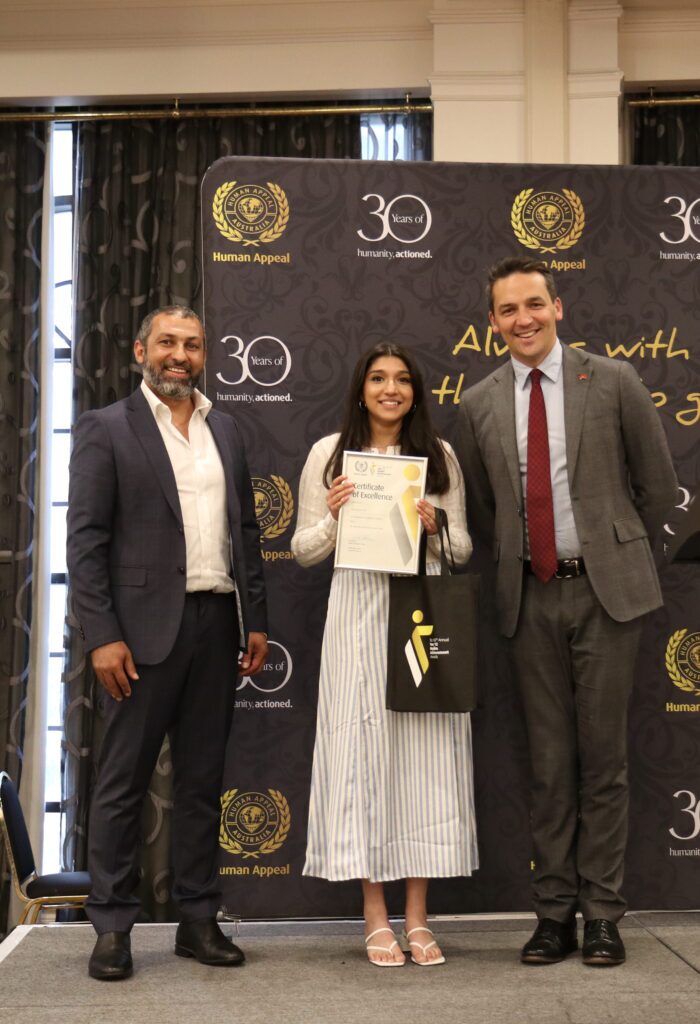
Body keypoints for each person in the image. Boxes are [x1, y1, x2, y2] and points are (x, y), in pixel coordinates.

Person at [455, 257, 677, 967]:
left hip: (607, 595)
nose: (522, 319)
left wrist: (607, 547)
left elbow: (656, 484)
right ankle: (553, 914)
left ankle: (604, 914)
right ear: (492, 323)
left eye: (533, 304)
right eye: (507, 309)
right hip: (528, 596)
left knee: (604, 760)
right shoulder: (480, 401)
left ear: (559, 306)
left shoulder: (612, 380)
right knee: (550, 765)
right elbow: (487, 512)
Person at [67, 306, 268, 980]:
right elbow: (86, 545)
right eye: (167, 344)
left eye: (192, 344)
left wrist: (258, 619)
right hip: (139, 636)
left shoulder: (227, 430)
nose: (179, 355)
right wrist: (103, 636)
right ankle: (113, 927)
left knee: (202, 783)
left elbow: (246, 533)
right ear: (140, 350)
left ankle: (197, 921)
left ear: (205, 354)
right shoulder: (106, 430)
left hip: (217, 626)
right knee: (122, 782)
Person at [292, 342, 478, 968]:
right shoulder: (329, 455)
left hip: (418, 616)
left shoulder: (439, 456)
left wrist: (436, 528)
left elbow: (462, 553)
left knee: (421, 761)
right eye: (378, 378)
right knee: (363, 755)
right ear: (361, 388)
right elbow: (303, 550)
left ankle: (418, 917)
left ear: (416, 391)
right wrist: (336, 520)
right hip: (356, 616)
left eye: (401, 379)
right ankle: (374, 915)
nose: (390, 389)